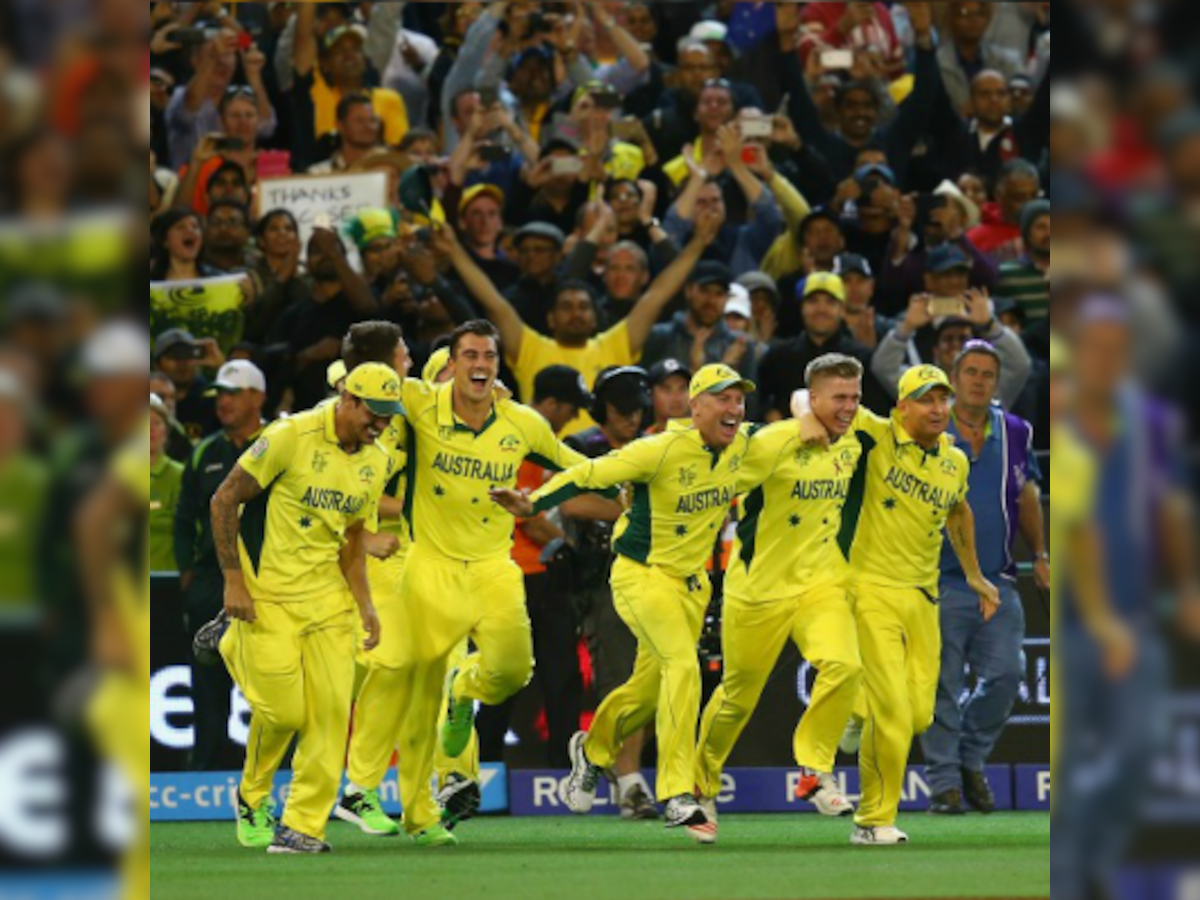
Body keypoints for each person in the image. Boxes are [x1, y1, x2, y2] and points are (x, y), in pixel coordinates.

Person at [491, 363, 756, 842]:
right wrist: (534, 502)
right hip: (642, 574)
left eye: (739, 399)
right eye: (722, 398)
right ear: (695, 407)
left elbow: (797, 428)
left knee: (646, 692)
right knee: (684, 667)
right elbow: (592, 471)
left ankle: (591, 751)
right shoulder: (660, 449)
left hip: (691, 586)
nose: (733, 408)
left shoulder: (744, 446)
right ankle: (677, 792)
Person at [386, 320, 592, 846]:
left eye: (489, 358)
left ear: (500, 367)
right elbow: (363, 385)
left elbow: (578, 466)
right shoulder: (418, 405)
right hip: (429, 562)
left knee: (510, 671)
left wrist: (539, 501)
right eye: (469, 356)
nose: (479, 366)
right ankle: (430, 803)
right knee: (423, 689)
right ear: (450, 364)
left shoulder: (520, 423)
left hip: (494, 567)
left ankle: (465, 696)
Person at [795, 364, 999, 846]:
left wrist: (973, 574)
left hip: (923, 597)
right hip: (869, 592)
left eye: (943, 400)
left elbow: (958, 510)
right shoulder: (876, 436)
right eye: (926, 400)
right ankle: (873, 820)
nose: (937, 409)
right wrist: (805, 414)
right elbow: (813, 398)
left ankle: (854, 709)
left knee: (919, 716)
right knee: (893, 714)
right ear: (901, 407)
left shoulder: (955, 461)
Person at [209, 363, 396, 853]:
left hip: (328, 602)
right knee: (286, 713)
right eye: (374, 414)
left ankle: (300, 827)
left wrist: (366, 604)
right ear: (349, 400)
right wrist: (234, 581)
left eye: (388, 417)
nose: (380, 424)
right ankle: (252, 796)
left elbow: (352, 537)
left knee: (332, 714)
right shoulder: (291, 435)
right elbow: (224, 499)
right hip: (265, 596)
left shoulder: (376, 461)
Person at [695, 353, 868, 841]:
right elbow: (715, 487)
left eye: (855, 397)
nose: (849, 408)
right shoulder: (770, 442)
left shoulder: (855, 438)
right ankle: (700, 785)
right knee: (735, 700)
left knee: (845, 667)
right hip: (758, 590)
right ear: (813, 399)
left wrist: (805, 406)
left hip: (822, 584)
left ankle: (815, 769)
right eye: (839, 398)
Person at [332, 322, 484, 837]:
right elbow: (339, 487)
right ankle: (356, 786)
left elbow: (463, 397)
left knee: (429, 680)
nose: (411, 363)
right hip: (364, 556)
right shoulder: (347, 408)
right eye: (404, 355)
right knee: (389, 664)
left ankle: (423, 808)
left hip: (420, 554)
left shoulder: (412, 401)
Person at [436, 212, 719, 434]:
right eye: (566, 307)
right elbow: (494, 303)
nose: (576, 313)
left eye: (584, 307)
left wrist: (699, 242)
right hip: (542, 468)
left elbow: (656, 296)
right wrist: (454, 251)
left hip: (604, 464)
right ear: (551, 318)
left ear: (595, 317)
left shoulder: (614, 345)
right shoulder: (531, 348)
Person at [919, 341, 1045, 814]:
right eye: (969, 372)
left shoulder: (1015, 431)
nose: (977, 380)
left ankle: (969, 761)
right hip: (938, 581)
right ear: (953, 379)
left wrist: (1043, 553)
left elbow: (1028, 494)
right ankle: (945, 785)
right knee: (941, 687)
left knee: (1007, 677)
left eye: (987, 374)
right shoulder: (928, 427)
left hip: (998, 580)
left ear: (996, 381)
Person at [475, 364, 593, 769]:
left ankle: (488, 773)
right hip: (520, 577)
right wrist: (566, 544)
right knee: (523, 679)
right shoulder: (519, 439)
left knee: (544, 679)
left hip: (535, 577)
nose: (573, 417)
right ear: (549, 403)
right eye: (569, 408)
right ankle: (555, 771)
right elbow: (529, 515)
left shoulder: (523, 436)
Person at [561, 366, 659, 820]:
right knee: (619, 675)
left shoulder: (653, 445)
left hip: (652, 573)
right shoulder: (581, 447)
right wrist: (629, 511)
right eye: (622, 411)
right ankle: (628, 780)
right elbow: (567, 500)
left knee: (646, 677)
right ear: (602, 408)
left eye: (638, 410)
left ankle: (630, 777)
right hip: (596, 576)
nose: (631, 419)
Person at [175, 360, 268, 772]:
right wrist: (187, 573)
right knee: (207, 679)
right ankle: (204, 767)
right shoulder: (204, 452)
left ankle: (278, 773)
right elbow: (183, 517)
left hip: (267, 579)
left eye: (233, 393)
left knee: (271, 679)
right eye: (220, 395)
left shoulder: (279, 443)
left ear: (257, 397)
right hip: (212, 581)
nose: (223, 402)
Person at [872, 246, 1032, 408]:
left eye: (963, 339)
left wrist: (990, 325)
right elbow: (884, 368)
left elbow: (1020, 364)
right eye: (946, 275)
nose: (955, 281)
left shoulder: (989, 388)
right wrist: (906, 328)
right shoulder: (921, 389)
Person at [757, 272, 887, 420]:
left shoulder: (861, 358)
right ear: (802, 307)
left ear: (842, 309)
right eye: (813, 301)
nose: (821, 309)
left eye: (830, 302)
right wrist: (769, 414)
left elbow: (875, 414)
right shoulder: (778, 357)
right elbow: (758, 403)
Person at [640, 262, 759, 414]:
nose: (711, 300)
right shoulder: (659, 336)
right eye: (705, 291)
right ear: (689, 290)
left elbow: (750, 410)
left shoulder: (739, 345)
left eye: (719, 294)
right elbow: (645, 400)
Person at [149, 393, 184, 574]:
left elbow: (187, 528)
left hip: (166, 581)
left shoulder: (180, 476)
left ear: (166, 430)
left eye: (156, 422)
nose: (150, 429)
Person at [646, 359, 692, 434]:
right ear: (651, 395)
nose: (676, 397)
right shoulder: (641, 441)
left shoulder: (707, 438)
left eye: (682, 388)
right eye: (666, 389)